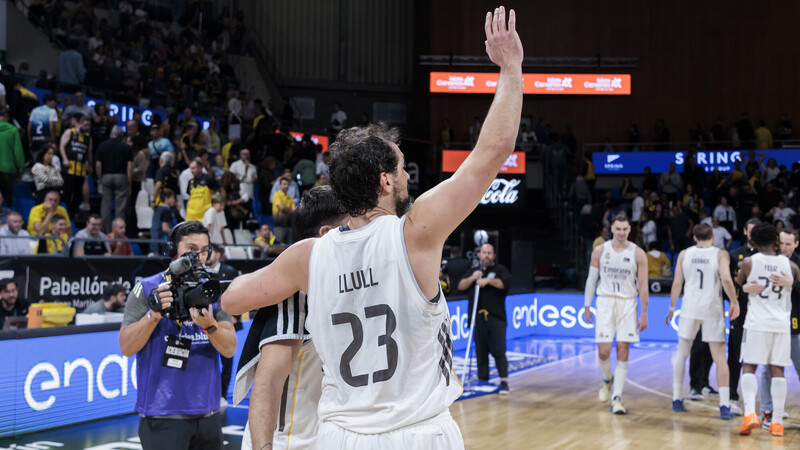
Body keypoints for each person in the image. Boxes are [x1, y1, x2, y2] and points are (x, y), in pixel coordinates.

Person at [222, 7, 523, 447]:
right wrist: (511, 67)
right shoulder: (414, 232)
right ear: (384, 181)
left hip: (340, 436)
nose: (407, 177)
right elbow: (493, 151)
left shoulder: (308, 256)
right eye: (401, 169)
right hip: (416, 432)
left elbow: (232, 299)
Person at [235, 186, 348, 450]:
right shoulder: (295, 294)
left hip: (324, 436)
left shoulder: (342, 283)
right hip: (286, 442)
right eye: (351, 225)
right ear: (327, 234)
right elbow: (268, 384)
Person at [119, 221, 237, 449]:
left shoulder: (211, 290)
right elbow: (126, 347)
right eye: (191, 249)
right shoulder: (147, 288)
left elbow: (230, 348)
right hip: (162, 415)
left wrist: (210, 326)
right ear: (172, 250)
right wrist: (153, 315)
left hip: (208, 414)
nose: (199, 257)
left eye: (204, 250)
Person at [667, 224, 740, 418]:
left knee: (682, 353)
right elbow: (726, 279)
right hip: (711, 308)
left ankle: (676, 399)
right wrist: (734, 301)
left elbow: (677, 283)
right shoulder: (720, 254)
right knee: (719, 357)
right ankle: (724, 405)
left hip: (689, 307)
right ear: (713, 237)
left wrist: (672, 308)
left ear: (694, 238)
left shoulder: (684, 254)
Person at [736, 223, 800, 437]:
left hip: (757, 322)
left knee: (748, 366)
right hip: (781, 324)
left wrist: (745, 287)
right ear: (775, 241)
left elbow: (740, 285)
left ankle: (749, 414)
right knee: (777, 370)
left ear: (753, 241)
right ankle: (777, 422)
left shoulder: (748, 262)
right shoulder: (791, 266)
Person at [584, 214, 649, 414]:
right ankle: (607, 378)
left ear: (629, 230)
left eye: (624, 229)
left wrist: (644, 312)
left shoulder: (638, 253)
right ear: (611, 229)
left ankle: (617, 398)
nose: (621, 232)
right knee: (603, 351)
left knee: (623, 349)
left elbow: (643, 285)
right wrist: (587, 305)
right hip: (605, 302)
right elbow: (591, 279)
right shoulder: (600, 251)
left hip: (628, 303)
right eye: (618, 229)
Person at [758, 229, 800, 430]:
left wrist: (793, 284)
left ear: (796, 244)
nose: (783, 247)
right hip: (771, 323)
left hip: (793, 323)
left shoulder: (797, 264)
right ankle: (767, 410)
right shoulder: (769, 261)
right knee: (768, 369)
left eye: (788, 244)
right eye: (781, 243)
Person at [457, 243, 512, 394]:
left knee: (499, 351)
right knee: (481, 352)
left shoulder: (500, 270)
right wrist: (472, 278)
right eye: (484, 252)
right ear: (479, 255)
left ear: (493, 255)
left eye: (489, 253)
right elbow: (461, 286)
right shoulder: (475, 271)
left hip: (496, 318)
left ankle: (504, 382)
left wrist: (488, 280)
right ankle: (483, 381)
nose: (486, 255)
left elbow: (504, 284)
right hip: (478, 319)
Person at [726, 218, 761, 413]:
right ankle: (732, 396)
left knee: (762, 359)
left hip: (761, 314)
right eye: (750, 230)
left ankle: (766, 404)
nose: (753, 234)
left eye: (757, 230)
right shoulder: (735, 255)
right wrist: (732, 302)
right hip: (740, 313)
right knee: (734, 356)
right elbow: (727, 283)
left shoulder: (768, 256)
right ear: (745, 231)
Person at [95, 126, 133, 232]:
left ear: (111, 133)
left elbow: (98, 165)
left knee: (105, 206)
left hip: (106, 176)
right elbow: (130, 167)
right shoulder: (127, 147)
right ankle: (119, 231)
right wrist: (129, 184)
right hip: (121, 177)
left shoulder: (102, 146)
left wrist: (100, 180)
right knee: (120, 207)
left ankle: (106, 232)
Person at [59, 114, 93, 212]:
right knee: (67, 191)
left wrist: (90, 165)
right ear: (79, 124)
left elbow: (89, 152)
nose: (87, 127)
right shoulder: (70, 132)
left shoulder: (88, 137)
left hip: (81, 169)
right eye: (85, 125)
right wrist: (65, 159)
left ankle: (74, 213)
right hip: (69, 168)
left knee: (78, 193)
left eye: (88, 126)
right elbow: (62, 146)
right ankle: (66, 211)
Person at [0, 106, 24, 207]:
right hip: (8, 170)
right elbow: (18, 152)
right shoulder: (13, 130)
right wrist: (20, 170)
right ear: (7, 117)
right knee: (7, 200)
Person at [28, 93, 59, 159]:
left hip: (35, 140)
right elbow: (51, 127)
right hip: (46, 141)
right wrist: (53, 141)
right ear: (48, 101)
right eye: (54, 101)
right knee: (46, 159)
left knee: (36, 159)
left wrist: (30, 141)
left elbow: (29, 127)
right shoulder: (52, 111)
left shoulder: (34, 110)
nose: (55, 104)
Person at [272, 177, 296, 244]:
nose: (286, 186)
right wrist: (290, 210)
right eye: (284, 184)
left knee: (290, 246)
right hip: (279, 225)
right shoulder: (276, 195)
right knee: (279, 246)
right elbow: (281, 208)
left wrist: (285, 209)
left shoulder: (290, 197)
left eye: (287, 184)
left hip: (289, 226)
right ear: (280, 185)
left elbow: (294, 211)